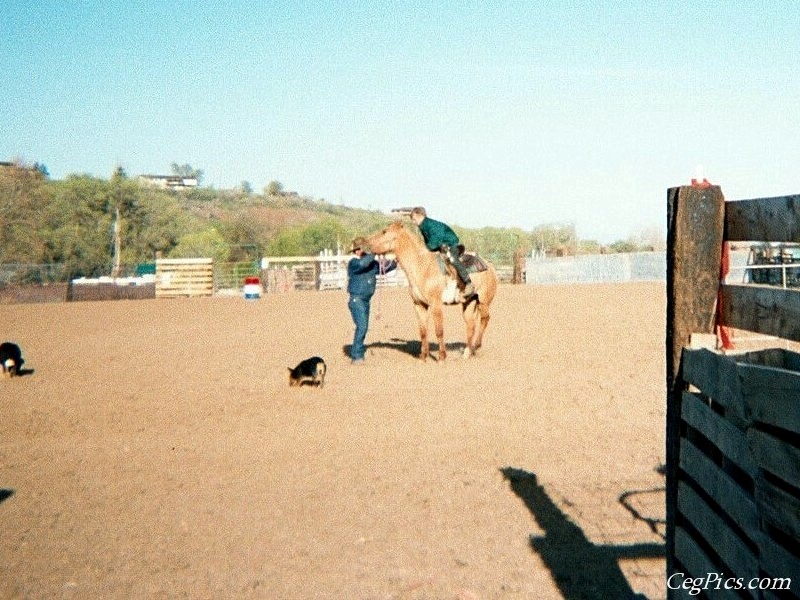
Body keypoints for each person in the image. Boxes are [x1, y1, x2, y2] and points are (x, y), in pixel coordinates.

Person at [347, 237, 397, 364]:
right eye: (357, 249)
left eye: (359, 248)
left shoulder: (371, 263)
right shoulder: (353, 263)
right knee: (362, 326)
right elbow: (363, 264)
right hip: (357, 300)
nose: (358, 251)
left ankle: (357, 352)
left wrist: (397, 259)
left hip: (365, 300)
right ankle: (356, 355)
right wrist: (375, 252)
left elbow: (387, 267)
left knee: (363, 326)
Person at [409, 206, 476, 301]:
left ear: (420, 215)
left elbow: (436, 239)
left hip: (451, 244)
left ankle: (469, 283)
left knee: (452, 258)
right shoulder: (423, 226)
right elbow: (428, 242)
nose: (413, 222)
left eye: (414, 219)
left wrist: (427, 248)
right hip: (440, 246)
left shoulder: (431, 225)